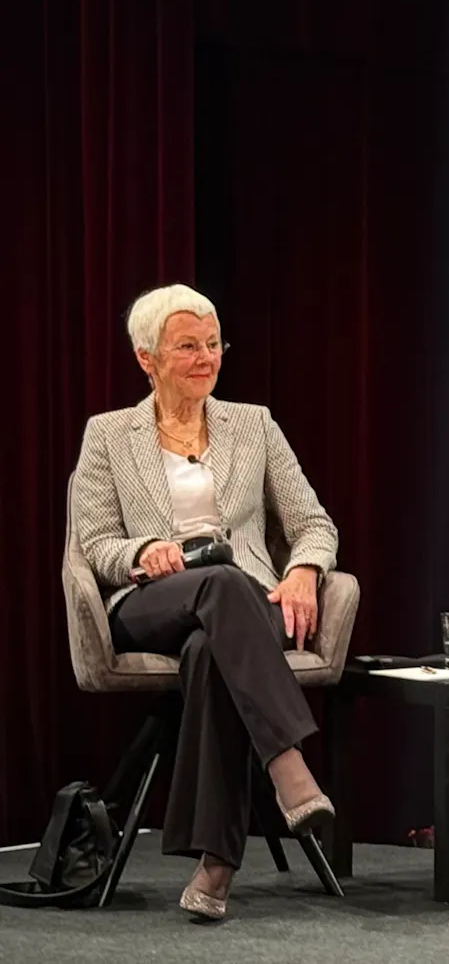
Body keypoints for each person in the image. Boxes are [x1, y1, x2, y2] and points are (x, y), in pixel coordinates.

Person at [70, 285, 340, 921]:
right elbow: (96, 543)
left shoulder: (255, 424)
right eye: (187, 345)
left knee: (210, 644)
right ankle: (287, 762)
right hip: (150, 604)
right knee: (215, 584)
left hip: (244, 606)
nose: (205, 357)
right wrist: (143, 553)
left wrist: (303, 570)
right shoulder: (109, 435)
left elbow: (313, 521)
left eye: (213, 344)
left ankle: (215, 867)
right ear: (147, 359)